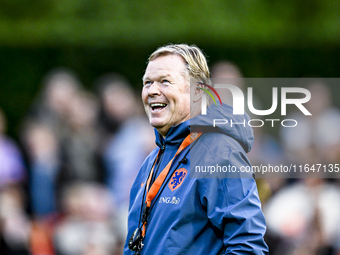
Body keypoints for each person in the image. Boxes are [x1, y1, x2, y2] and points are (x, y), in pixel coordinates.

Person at [124, 44, 268, 254]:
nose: (152, 91)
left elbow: (247, 247)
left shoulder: (218, 153)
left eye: (165, 81)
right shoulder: (151, 160)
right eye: (147, 83)